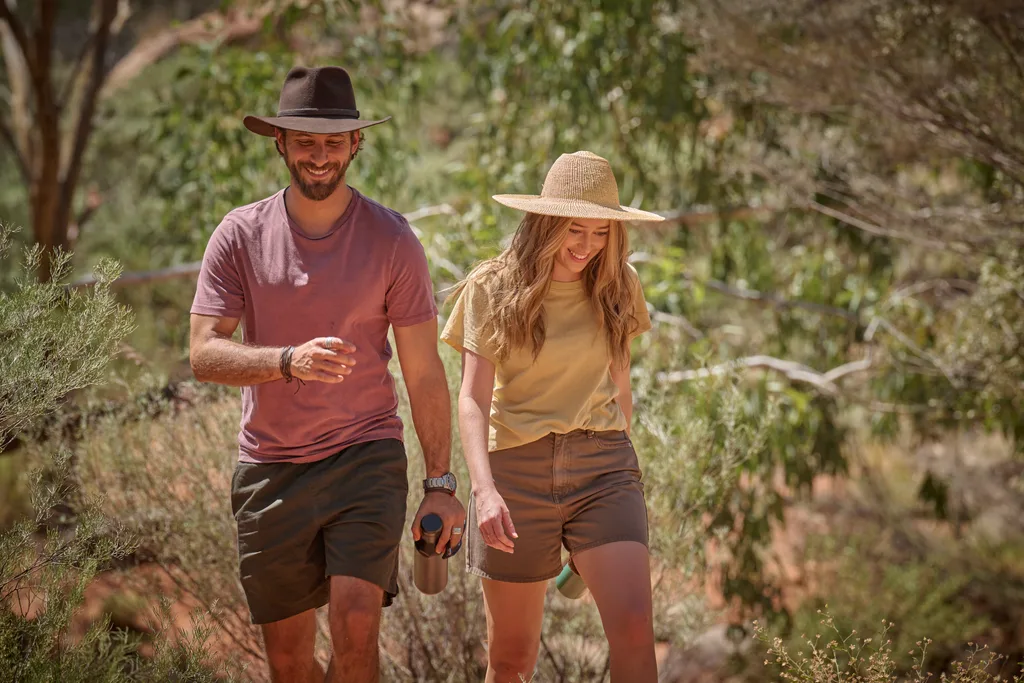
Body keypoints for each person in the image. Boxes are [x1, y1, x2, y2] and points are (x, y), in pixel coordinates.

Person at [188, 65, 465, 683]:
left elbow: (423, 373)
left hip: (364, 456)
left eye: (334, 142)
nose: (320, 156)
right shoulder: (239, 235)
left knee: (356, 629)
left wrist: (441, 482)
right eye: (306, 142)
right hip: (270, 467)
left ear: (356, 144)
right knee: (289, 664)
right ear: (280, 142)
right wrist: (287, 362)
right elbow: (204, 354)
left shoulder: (393, 240)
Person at [441, 151, 665, 683]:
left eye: (600, 232)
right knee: (512, 661)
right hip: (515, 475)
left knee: (635, 629)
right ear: (544, 224)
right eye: (574, 229)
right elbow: (472, 397)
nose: (587, 246)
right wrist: (484, 490)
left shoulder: (618, 286)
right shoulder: (493, 287)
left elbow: (621, 385)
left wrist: (628, 468)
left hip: (603, 468)